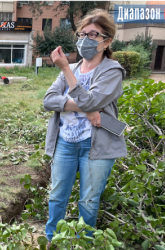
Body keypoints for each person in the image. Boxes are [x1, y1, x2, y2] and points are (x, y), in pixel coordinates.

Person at [42, 9, 127, 248]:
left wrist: (66, 70)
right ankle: (52, 240)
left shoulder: (112, 71)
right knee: (57, 196)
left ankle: (84, 243)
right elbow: (48, 100)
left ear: (106, 40)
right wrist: (87, 111)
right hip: (65, 142)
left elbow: (91, 101)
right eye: (82, 34)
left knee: (89, 201)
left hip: (96, 146)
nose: (85, 40)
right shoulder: (76, 67)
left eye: (93, 35)